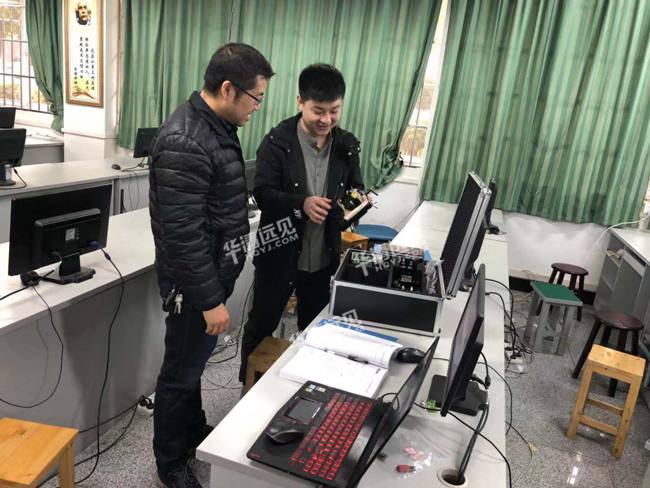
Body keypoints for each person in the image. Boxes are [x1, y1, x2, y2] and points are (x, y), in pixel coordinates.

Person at [149, 43, 274, 488]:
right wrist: (209, 300)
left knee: (192, 366)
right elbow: (183, 236)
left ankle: (192, 431)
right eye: (255, 98)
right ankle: (169, 463)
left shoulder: (215, 126)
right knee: (178, 374)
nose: (257, 108)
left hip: (211, 277)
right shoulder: (186, 140)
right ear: (227, 89)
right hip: (193, 287)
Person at [239, 63, 364, 385]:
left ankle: (303, 392)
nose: (326, 120)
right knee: (261, 325)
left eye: (334, 111)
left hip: (322, 258)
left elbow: (355, 189)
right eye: (318, 111)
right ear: (300, 102)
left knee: (315, 331)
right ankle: (247, 393)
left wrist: (354, 206)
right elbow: (262, 194)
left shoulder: (347, 145)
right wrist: (302, 204)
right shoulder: (277, 142)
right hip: (279, 255)